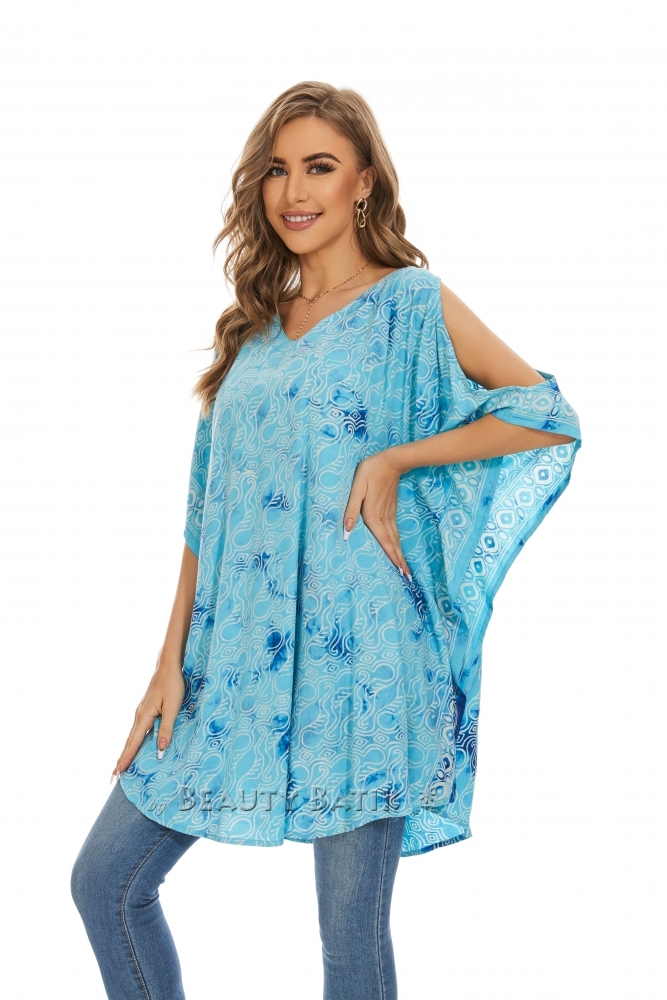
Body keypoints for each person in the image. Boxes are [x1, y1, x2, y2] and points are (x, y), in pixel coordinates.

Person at [71, 81, 582, 1000]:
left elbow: (544, 415)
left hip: (364, 664)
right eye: (277, 170)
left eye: (319, 166)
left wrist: (396, 459)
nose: (294, 191)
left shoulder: (409, 304)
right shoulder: (251, 333)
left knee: (348, 943)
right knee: (105, 883)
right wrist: (166, 664)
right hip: (233, 660)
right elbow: (204, 515)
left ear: (364, 182)